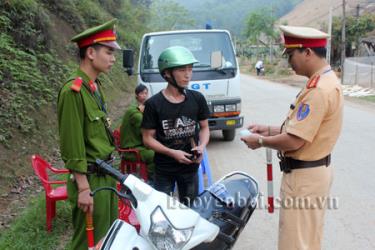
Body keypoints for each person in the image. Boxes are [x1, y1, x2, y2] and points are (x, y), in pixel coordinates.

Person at [241, 25, 343, 250]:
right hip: (313, 173)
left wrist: (259, 142)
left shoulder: (317, 90)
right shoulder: (327, 80)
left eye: (291, 54)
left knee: (295, 243)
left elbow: (295, 140)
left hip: (304, 177)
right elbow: (303, 129)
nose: (289, 61)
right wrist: (268, 129)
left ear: (307, 52)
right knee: (308, 239)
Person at [57, 19, 121, 250]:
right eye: (109, 51)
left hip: (106, 177)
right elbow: (73, 145)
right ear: (91, 53)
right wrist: (83, 188)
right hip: (91, 181)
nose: (113, 58)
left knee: (107, 240)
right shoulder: (73, 91)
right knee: (87, 244)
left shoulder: (94, 87)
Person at [141, 46, 210, 205]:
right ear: (167, 73)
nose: (188, 75)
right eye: (182, 70)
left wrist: (202, 146)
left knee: (191, 210)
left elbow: (204, 127)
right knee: (162, 211)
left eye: (190, 69)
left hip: (190, 169)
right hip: (164, 169)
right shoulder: (153, 104)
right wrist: (172, 152)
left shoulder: (197, 99)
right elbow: (147, 139)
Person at [120, 84, 155, 181]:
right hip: (131, 150)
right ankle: (151, 181)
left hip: (133, 146)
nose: (144, 95)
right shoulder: (137, 115)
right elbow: (146, 135)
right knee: (155, 154)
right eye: (141, 93)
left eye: (146, 93)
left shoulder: (133, 109)